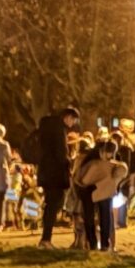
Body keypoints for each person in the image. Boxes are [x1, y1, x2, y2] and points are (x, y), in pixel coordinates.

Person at [35, 105, 80, 247]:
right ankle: (46, 239)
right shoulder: (59, 129)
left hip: (45, 172)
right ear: (67, 117)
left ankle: (45, 237)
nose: (72, 125)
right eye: (73, 120)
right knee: (55, 204)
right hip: (56, 174)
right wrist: (70, 161)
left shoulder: (46, 128)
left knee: (51, 204)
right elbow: (61, 154)